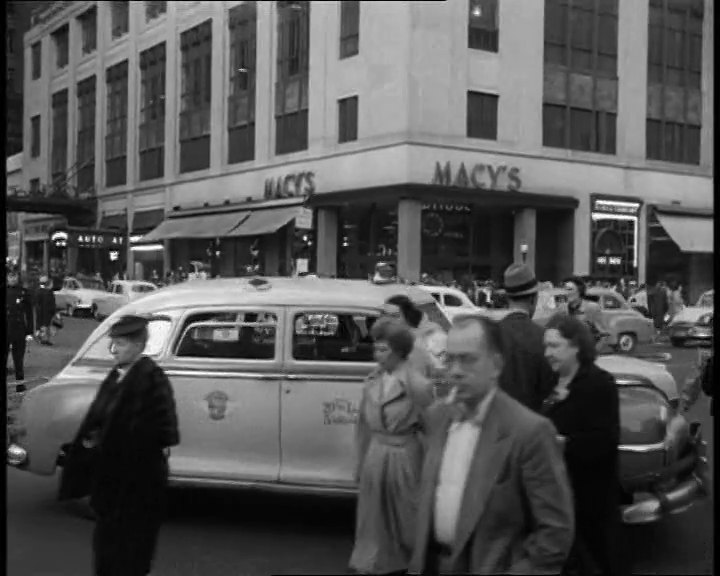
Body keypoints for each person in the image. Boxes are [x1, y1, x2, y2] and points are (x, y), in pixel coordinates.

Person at [408, 315, 575, 575]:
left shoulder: (530, 431)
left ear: (496, 365)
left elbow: (555, 534)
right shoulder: (439, 417)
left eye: (468, 359)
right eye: (450, 359)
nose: (455, 370)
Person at [58, 315, 180, 576]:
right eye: (113, 343)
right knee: (106, 552)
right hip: (111, 486)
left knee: (131, 555)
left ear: (139, 345)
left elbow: (164, 432)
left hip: (138, 486)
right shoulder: (115, 376)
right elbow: (97, 420)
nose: (114, 350)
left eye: (121, 344)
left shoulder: (152, 378)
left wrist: (120, 439)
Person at [542, 314, 625, 576]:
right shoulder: (549, 382)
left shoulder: (599, 383)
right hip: (557, 496)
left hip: (591, 500)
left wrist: (563, 443)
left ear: (576, 345)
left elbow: (606, 441)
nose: (547, 353)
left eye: (555, 346)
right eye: (545, 346)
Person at [350, 317, 434, 575]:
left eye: (384, 349)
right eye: (376, 348)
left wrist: (433, 473)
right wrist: (360, 461)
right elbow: (363, 425)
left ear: (399, 351)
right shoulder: (372, 380)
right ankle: (372, 562)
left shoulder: (418, 385)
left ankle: (408, 563)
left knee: (405, 517)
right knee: (373, 518)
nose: (378, 354)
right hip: (377, 453)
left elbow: (431, 429)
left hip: (405, 456)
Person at [498, 263, 556, 412]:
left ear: (507, 298)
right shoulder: (544, 338)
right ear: (533, 299)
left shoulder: (490, 335)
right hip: (532, 425)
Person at [383, 295, 446, 380]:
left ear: (408, 314)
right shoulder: (396, 337)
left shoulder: (434, 334)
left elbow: (443, 370)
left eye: (395, 316)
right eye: (386, 316)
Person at [562, 276, 610, 347]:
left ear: (580, 290)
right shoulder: (562, 308)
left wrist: (592, 353)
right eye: (565, 290)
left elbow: (604, 335)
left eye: (570, 289)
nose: (567, 293)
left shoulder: (592, 308)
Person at [6, 268, 35, 382]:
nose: (12, 278)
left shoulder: (24, 292)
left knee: (18, 360)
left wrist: (29, 331)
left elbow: (29, 313)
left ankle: (20, 385)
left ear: (17, 277)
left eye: (14, 276)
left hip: (19, 329)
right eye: (10, 276)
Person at [34, 275, 57, 346]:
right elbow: (46, 303)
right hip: (44, 310)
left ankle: (41, 337)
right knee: (45, 324)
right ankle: (42, 338)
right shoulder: (46, 291)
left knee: (41, 324)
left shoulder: (40, 290)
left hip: (40, 310)